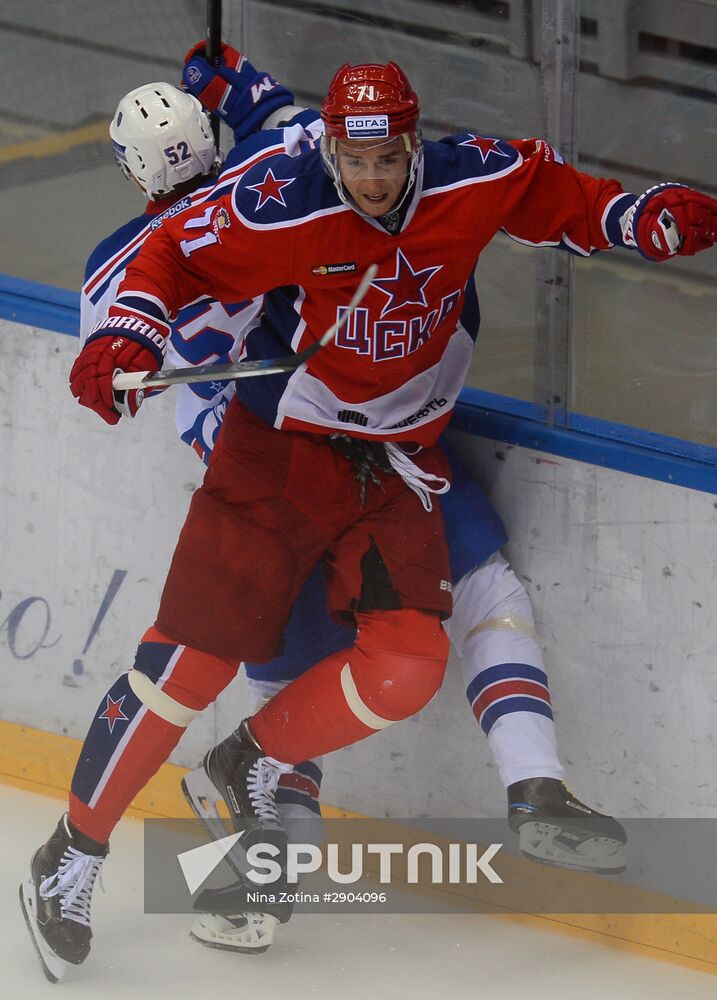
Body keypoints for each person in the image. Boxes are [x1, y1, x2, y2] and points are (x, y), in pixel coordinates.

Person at [21, 46, 717, 978]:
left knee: (404, 665)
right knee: (187, 667)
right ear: (334, 153)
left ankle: (251, 766)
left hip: (394, 462)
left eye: (389, 158)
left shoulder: (461, 175)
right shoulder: (278, 192)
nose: (374, 179)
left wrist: (635, 215)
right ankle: (73, 853)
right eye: (357, 162)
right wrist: (122, 337)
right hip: (276, 451)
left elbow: (551, 194)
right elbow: (172, 255)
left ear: (410, 142)